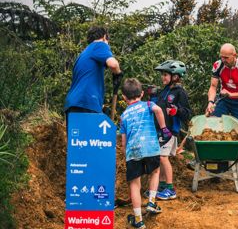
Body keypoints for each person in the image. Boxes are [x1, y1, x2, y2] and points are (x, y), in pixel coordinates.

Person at [120, 78, 172, 229]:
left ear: (124, 97)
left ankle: (138, 220)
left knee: (135, 184)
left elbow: (123, 142)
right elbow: (158, 110)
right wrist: (163, 128)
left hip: (133, 151)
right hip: (150, 148)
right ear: (142, 93)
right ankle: (151, 202)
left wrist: (126, 155)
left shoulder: (123, 116)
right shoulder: (148, 104)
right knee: (155, 172)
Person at [206, 43, 238, 181]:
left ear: (235, 55)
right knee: (213, 127)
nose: (224, 60)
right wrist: (210, 102)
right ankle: (217, 165)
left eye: (226, 58)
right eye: (222, 57)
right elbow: (213, 86)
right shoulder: (218, 65)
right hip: (223, 99)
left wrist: (231, 94)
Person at [64, 26, 123, 125]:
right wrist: (118, 73)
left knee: (77, 140)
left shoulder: (83, 54)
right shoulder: (100, 45)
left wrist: (101, 106)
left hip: (74, 104)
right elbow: (113, 64)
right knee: (90, 140)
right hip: (86, 103)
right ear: (104, 37)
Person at [152, 60, 192, 200]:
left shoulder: (180, 92)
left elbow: (187, 113)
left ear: (175, 76)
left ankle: (170, 189)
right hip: (161, 130)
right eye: (162, 74)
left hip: (170, 130)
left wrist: (177, 110)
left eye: (165, 74)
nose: (162, 77)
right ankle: (162, 185)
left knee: (163, 157)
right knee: (161, 157)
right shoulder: (164, 91)